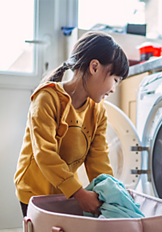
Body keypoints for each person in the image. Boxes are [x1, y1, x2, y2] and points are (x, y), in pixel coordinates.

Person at [14, 31, 129, 217]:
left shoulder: (98, 112)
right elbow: (45, 154)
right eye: (114, 80)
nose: (113, 89)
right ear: (94, 67)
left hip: (65, 191)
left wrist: (110, 191)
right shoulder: (47, 98)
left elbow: (98, 160)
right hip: (34, 190)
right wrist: (79, 193)